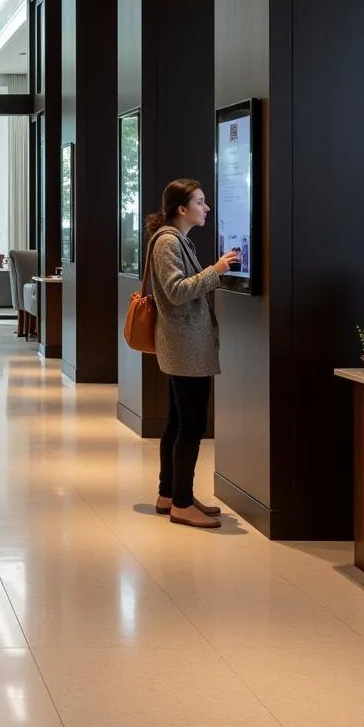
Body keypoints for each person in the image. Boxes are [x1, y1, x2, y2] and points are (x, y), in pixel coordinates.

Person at [146, 179, 239, 530]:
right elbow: (175, 291)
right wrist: (214, 272)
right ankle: (182, 503)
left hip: (183, 345)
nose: (207, 208)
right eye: (200, 202)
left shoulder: (175, 240)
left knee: (177, 422)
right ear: (182, 209)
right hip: (185, 347)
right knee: (192, 425)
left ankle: (169, 493)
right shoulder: (169, 242)